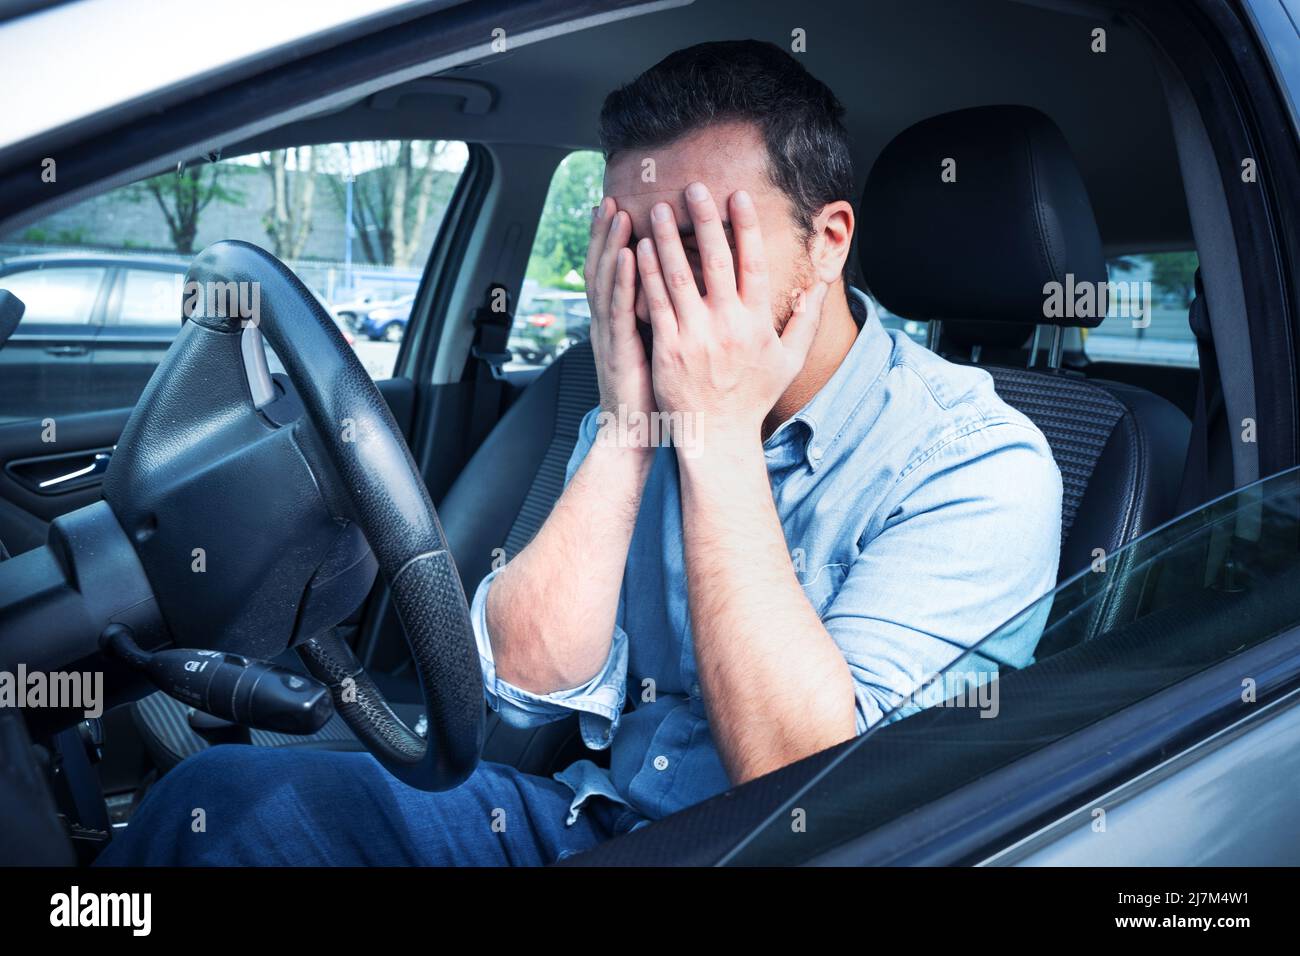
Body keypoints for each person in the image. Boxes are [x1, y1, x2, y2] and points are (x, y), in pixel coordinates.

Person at [100, 39, 1061, 867]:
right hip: (591, 821)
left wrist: (720, 434)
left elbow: (810, 798)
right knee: (224, 806)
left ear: (826, 243)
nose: (658, 289)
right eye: (630, 247)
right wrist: (632, 429)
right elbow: (519, 680)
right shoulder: (643, 396)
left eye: (705, 241)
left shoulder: (978, 467)